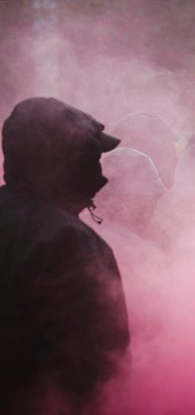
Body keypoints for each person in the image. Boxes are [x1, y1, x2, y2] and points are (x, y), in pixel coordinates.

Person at [0, 97, 130, 414]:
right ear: (65, 161)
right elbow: (88, 371)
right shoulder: (69, 241)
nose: (101, 176)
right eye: (92, 158)